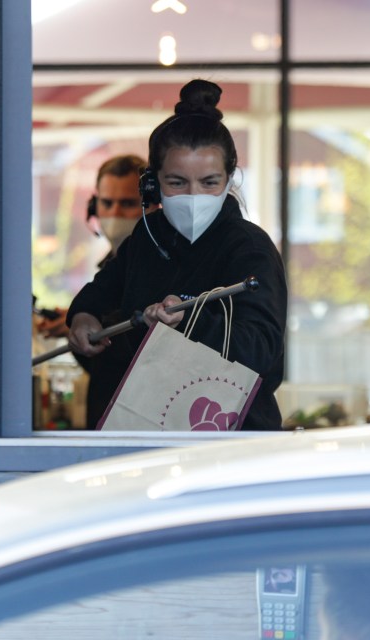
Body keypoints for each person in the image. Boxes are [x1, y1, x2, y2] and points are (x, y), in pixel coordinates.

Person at [65, 79, 287, 430]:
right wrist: (82, 317)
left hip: (228, 439)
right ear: (152, 184)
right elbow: (97, 293)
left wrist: (188, 319)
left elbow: (261, 350)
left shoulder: (250, 247)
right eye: (177, 182)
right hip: (142, 433)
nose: (194, 195)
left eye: (210, 182)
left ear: (231, 180)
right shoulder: (146, 236)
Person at [36, 154, 148, 339]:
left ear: (153, 204)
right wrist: (81, 317)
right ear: (94, 207)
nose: (115, 213)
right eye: (107, 203)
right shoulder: (110, 268)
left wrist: (100, 328)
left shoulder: (164, 265)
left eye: (128, 203)